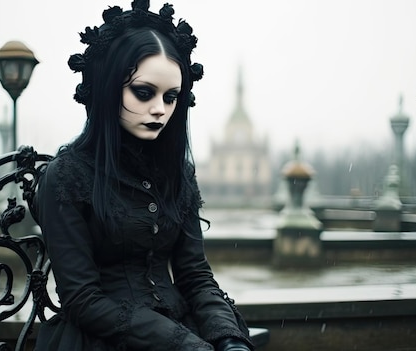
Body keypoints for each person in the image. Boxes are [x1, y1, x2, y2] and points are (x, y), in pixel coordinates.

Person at [34, 1, 254, 350]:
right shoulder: (67, 177)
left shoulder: (176, 173)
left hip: (184, 332)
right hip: (98, 340)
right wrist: (182, 343)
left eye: (171, 97)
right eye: (143, 92)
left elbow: (195, 276)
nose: (160, 110)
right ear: (108, 88)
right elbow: (82, 299)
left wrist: (228, 338)